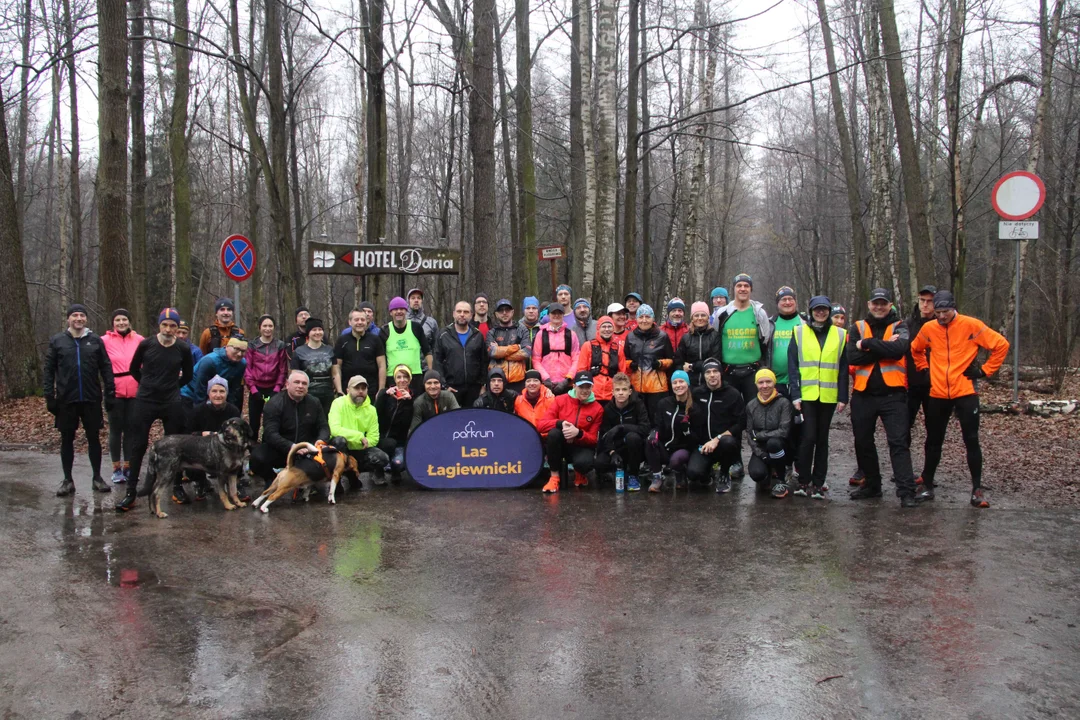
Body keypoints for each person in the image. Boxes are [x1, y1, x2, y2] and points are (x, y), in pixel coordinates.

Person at [909, 290, 1009, 508]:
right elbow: (916, 349)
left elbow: (1001, 345)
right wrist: (924, 368)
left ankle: (976, 490)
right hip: (937, 393)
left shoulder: (971, 325)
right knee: (933, 440)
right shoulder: (929, 328)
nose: (941, 316)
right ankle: (927, 485)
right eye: (938, 312)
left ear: (954, 308)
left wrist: (985, 371)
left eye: (945, 312)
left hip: (965, 392)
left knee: (971, 439)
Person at [846, 289, 919, 507]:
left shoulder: (900, 326)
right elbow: (852, 356)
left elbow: (899, 350)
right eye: (875, 303)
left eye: (883, 303)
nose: (879, 307)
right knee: (863, 442)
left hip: (893, 395)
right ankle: (872, 485)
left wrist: (867, 344)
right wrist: (882, 347)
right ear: (869, 304)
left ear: (890, 305)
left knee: (898, 443)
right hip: (863, 394)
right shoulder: (857, 326)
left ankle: (906, 492)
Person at [115, 308, 194, 511]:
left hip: (171, 401)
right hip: (146, 401)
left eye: (173, 326)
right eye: (165, 325)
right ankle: (131, 491)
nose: (168, 330)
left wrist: (172, 386)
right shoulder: (146, 345)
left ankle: (176, 486)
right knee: (138, 444)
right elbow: (134, 369)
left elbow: (188, 375)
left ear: (178, 328)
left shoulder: (182, 349)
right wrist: (147, 384)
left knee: (174, 445)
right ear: (159, 325)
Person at [44, 303, 116, 497]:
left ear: (86, 319)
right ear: (68, 319)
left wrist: (110, 392)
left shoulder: (94, 341)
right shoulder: (58, 341)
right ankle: (67, 480)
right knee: (67, 439)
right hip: (66, 400)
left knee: (94, 438)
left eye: (81, 315)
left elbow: (106, 367)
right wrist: (49, 397)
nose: (78, 319)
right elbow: (49, 370)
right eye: (74, 315)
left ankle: (97, 478)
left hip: (91, 399)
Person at [714, 272, 773, 480]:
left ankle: (760, 458)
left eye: (746, 286)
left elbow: (765, 339)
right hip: (729, 371)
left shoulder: (758, 313)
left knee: (756, 416)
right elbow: (716, 339)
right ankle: (735, 461)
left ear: (751, 289)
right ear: (734, 289)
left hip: (752, 372)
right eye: (739, 286)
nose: (742, 289)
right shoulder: (723, 313)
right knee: (732, 418)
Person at [788, 295, 849, 496]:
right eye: (817, 309)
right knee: (808, 437)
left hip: (829, 396)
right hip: (807, 395)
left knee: (822, 439)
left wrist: (843, 396)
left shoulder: (840, 335)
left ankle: (818, 482)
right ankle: (803, 479)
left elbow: (843, 368)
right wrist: (795, 395)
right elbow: (793, 366)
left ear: (829, 311)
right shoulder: (798, 332)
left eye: (824, 309)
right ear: (811, 311)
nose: (820, 312)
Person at [249, 369, 331, 489]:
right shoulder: (274, 403)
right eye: (296, 382)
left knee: (334, 449)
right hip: (282, 449)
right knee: (257, 458)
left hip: (307, 450)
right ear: (287, 384)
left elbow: (324, 427)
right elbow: (270, 434)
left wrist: (319, 442)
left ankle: (312, 481)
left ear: (308, 387)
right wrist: (292, 447)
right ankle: (272, 480)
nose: (300, 386)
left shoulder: (314, 402)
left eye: (304, 384)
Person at [537, 371, 603, 493]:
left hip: (581, 446)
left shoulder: (597, 408)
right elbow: (540, 425)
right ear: (574, 386)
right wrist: (560, 424)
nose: (584, 390)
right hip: (562, 445)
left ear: (592, 387)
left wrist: (578, 433)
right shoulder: (560, 400)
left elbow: (593, 439)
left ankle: (580, 473)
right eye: (581, 387)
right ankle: (554, 477)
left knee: (585, 463)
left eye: (588, 387)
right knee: (553, 434)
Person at [184, 375, 242, 502]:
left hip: (226, 450)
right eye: (214, 391)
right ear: (208, 393)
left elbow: (238, 433)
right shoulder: (198, 410)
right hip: (201, 449)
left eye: (222, 391)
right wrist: (202, 434)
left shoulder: (233, 411)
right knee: (189, 458)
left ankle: (234, 485)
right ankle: (200, 482)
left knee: (238, 456)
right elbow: (187, 433)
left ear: (227, 393)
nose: (218, 395)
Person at [690, 358, 744, 493]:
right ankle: (707, 472)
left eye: (715, 371)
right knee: (693, 473)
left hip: (724, 444)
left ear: (721, 374)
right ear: (704, 375)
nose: (712, 375)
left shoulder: (733, 394)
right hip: (704, 445)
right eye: (708, 372)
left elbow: (740, 424)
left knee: (728, 442)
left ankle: (724, 473)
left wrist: (717, 439)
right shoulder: (697, 393)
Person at [102, 308, 143, 484]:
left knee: (131, 430)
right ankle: (116, 468)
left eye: (124, 320)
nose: (121, 323)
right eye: (117, 320)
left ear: (129, 321)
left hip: (135, 390)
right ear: (113, 323)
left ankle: (128, 466)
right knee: (115, 430)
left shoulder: (139, 340)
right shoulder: (104, 341)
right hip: (115, 390)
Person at [329, 374, 390, 486]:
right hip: (342, 449)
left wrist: (362, 443)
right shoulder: (337, 403)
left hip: (360, 449)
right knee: (339, 440)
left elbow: (374, 438)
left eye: (363, 388)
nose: (360, 391)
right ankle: (338, 481)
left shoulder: (371, 410)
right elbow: (334, 430)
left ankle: (356, 473)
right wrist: (359, 437)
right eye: (356, 388)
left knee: (382, 458)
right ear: (348, 390)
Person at [593, 372, 650, 492]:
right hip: (617, 447)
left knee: (632, 437)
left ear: (630, 391)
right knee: (599, 463)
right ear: (612, 392)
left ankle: (633, 475)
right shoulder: (608, 409)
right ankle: (619, 470)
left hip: (636, 447)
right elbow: (605, 435)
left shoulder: (638, 405)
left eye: (624, 389)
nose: (621, 393)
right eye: (617, 390)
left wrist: (622, 427)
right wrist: (612, 452)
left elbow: (645, 429)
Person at [644, 370, 699, 492]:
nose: (678, 385)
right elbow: (657, 425)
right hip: (666, 446)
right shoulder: (664, 403)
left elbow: (698, 438)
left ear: (688, 384)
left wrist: (687, 432)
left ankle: (680, 473)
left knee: (676, 460)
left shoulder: (694, 407)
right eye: (675, 382)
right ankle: (657, 476)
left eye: (681, 381)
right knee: (649, 441)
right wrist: (654, 433)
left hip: (684, 449)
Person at [770, 286, 803, 481]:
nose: (787, 302)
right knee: (780, 427)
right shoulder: (770, 324)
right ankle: (781, 465)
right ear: (778, 303)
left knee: (799, 426)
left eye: (791, 299)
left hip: (799, 384)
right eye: (783, 300)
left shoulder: (804, 323)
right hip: (777, 383)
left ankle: (799, 464)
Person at [744, 369, 794, 497]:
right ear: (756, 384)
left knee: (773, 443)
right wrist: (761, 454)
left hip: (780, 445)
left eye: (768, 382)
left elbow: (784, 431)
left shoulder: (784, 403)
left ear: (774, 383)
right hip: (761, 447)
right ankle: (767, 471)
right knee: (756, 474)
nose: (765, 386)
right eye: (761, 382)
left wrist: (760, 435)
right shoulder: (751, 405)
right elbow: (750, 434)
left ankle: (781, 480)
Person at [433, 301, 488, 408]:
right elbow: (437, 362)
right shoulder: (443, 334)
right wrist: (444, 386)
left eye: (466, 312)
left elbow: (484, 362)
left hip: (474, 388)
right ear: (454, 313)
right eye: (459, 311)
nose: (462, 314)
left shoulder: (477, 335)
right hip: (452, 388)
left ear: (471, 315)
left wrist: (483, 385)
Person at [624, 304, 674, 422]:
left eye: (647, 317)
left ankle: (655, 439)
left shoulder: (662, 336)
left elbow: (671, 359)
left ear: (653, 319)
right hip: (636, 386)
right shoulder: (630, 337)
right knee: (639, 419)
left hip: (657, 387)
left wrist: (661, 364)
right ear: (636, 319)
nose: (644, 320)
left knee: (656, 419)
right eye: (641, 317)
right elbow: (624, 359)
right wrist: (630, 364)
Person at [245, 314, 289, 441]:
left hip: (273, 388)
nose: (267, 329)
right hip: (256, 388)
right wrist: (253, 389)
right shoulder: (252, 345)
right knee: (254, 422)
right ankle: (252, 448)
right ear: (260, 328)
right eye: (265, 326)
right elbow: (248, 368)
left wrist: (277, 388)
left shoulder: (280, 345)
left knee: (271, 421)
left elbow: (282, 369)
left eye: (270, 326)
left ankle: (267, 445)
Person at [181, 338, 248, 421]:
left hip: (215, 393)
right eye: (236, 349)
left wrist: (229, 409)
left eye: (243, 351)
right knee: (193, 421)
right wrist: (201, 412)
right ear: (227, 347)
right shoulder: (210, 361)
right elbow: (200, 389)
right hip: (191, 393)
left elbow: (234, 388)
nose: (239, 354)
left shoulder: (242, 363)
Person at [381, 296, 432, 394]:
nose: (399, 311)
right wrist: (382, 387)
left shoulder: (416, 327)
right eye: (395, 309)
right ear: (390, 312)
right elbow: (381, 360)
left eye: (402, 309)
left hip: (415, 376)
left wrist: (430, 373)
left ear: (406, 311)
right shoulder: (384, 331)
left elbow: (427, 351)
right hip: (394, 377)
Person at [334, 308, 387, 401]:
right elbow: (336, 366)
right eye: (356, 319)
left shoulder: (375, 340)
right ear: (350, 322)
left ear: (367, 321)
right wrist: (339, 390)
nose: (360, 322)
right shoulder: (341, 340)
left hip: (371, 391)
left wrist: (381, 390)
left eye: (362, 320)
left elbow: (382, 366)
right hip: (348, 391)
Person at [374, 364, 415, 481]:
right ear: (394, 379)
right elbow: (375, 414)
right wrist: (384, 394)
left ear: (410, 379)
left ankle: (395, 471)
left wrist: (408, 403)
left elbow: (408, 422)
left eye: (405, 377)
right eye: (399, 377)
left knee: (398, 463)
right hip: (383, 440)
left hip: (400, 443)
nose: (402, 380)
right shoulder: (385, 394)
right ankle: (378, 471)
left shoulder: (413, 397)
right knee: (387, 445)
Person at [573, 315, 626, 403]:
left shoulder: (618, 348)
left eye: (609, 326)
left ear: (613, 329)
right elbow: (581, 370)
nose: (607, 329)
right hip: (592, 394)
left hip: (611, 394)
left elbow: (622, 373)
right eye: (604, 326)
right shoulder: (587, 346)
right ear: (598, 328)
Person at [532, 303, 580, 394]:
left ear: (563, 315)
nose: (556, 315)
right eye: (554, 313)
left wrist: (568, 378)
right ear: (549, 315)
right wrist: (545, 378)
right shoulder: (541, 334)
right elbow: (536, 359)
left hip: (567, 384)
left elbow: (576, 358)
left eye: (559, 313)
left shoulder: (571, 334)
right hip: (546, 384)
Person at [292, 317, 336, 415]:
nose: (317, 332)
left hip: (327, 394)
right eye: (314, 330)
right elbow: (294, 374)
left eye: (320, 329)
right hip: (307, 395)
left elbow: (335, 373)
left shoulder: (330, 350)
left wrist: (339, 390)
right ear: (308, 333)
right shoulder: (299, 352)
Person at [675, 301, 723, 387]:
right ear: (692, 318)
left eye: (703, 315)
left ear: (708, 317)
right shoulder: (686, 338)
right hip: (690, 384)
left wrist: (691, 366)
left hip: (710, 383)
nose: (700, 318)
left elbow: (714, 362)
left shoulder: (715, 336)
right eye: (696, 315)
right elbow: (678, 362)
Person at [487, 298, 530, 392]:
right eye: (501, 310)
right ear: (496, 314)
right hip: (497, 380)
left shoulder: (522, 330)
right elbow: (492, 352)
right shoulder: (492, 332)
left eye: (507, 310)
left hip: (518, 380)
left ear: (512, 312)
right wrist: (516, 347)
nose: (504, 313)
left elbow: (526, 353)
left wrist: (501, 352)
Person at [409, 369, 461, 434]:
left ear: (440, 384)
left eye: (436, 382)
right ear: (424, 385)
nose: (433, 386)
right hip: (428, 435)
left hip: (448, 432)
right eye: (429, 383)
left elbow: (458, 419)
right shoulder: (419, 402)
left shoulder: (449, 396)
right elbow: (414, 430)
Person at [514, 369, 556, 439]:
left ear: (541, 383)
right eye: (528, 381)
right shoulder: (518, 400)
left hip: (546, 438)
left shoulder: (549, 398)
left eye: (535, 380)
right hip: (527, 437)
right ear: (525, 384)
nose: (532, 383)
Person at [518, 297, 543, 361]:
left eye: (534, 308)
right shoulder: (517, 328)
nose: (531, 311)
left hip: (539, 368)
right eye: (528, 308)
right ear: (524, 310)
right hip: (520, 368)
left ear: (538, 311)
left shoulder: (543, 329)